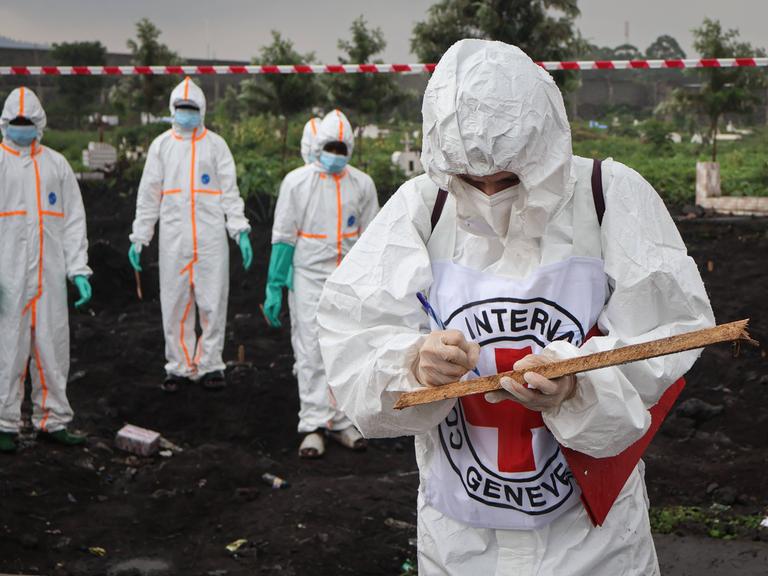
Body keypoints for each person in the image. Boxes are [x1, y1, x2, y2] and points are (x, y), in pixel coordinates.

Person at [317, 40, 714, 574]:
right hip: (462, 544)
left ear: (545, 150)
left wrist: (580, 382)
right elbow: (352, 333)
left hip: (592, 546)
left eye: (507, 180)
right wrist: (413, 364)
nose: (488, 196)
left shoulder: (606, 195)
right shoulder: (423, 207)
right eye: (470, 181)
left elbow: (669, 332)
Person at [264, 109, 379, 458]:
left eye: (342, 148)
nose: (336, 154)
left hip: (348, 280)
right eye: (330, 146)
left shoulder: (362, 184)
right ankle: (313, 424)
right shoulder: (297, 182)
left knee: (346, 349)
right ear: (318, 145)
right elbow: (283, 237)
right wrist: (275, 284)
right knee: (312, 349)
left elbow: (373, 236)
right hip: (309, 278)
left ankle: (342, 420)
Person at [128, 77, 252, 392]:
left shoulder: (216, 145)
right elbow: (148, 195)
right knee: (175, 303)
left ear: (202, 110)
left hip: (211, 240)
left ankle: (211, 364)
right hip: (173, 241)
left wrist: (239, 229)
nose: (185, 113)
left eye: (191, 108)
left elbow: (229, 192)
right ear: (172, 109)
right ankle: (179, 366)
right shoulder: (161, 146)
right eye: (181, 108)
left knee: (212, 302)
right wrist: (140, 235)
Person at [0, 87, 92, 453]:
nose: (22, 127)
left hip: (49, 277)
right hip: (8, 277)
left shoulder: (57, 165)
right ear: (6, 123)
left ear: (40, 123)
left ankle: (52, 420)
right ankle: (5, 423)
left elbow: (74, 222)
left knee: (53, 346)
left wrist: (79, 269)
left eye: (28, 121)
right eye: (16, 122)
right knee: (8, 347)